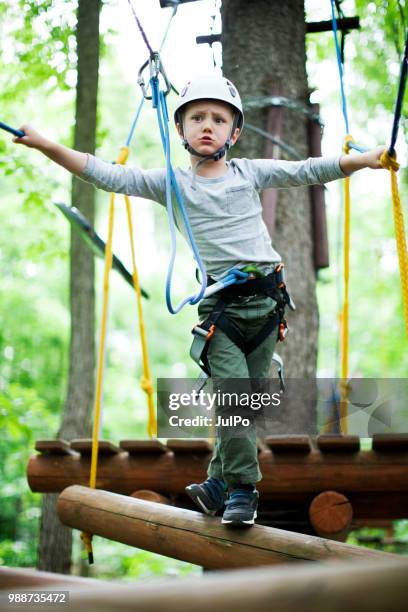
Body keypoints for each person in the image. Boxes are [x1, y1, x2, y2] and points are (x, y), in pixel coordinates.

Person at [13, 75, 387, 528]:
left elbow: (309, 170)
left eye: (218, 118)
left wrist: (366, 159)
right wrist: (46, 145)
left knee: (243, 405)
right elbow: (107, 174)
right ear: (181, 130)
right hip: (222, 315)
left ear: (234, 132)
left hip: (268, 307)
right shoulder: (171, 184)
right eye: (197, 118)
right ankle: (245, 490)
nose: (207, 126)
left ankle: (216, 484)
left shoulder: (250, 172)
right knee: (233, 400)